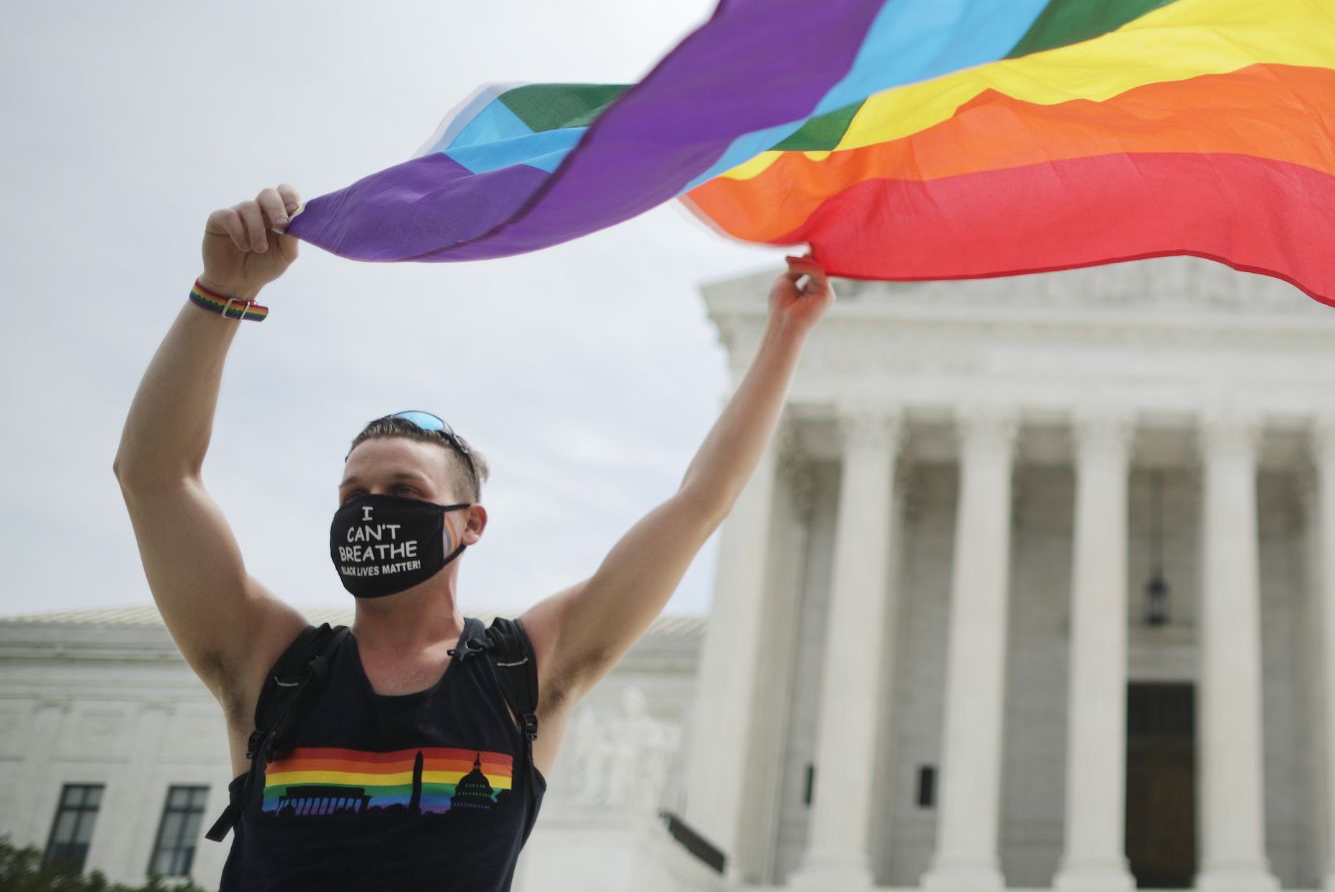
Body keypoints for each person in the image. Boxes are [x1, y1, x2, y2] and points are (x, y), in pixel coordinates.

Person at [113, 184, 831, 890]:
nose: (372, 510)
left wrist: (784, 335)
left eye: (405, 493)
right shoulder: (271, 667)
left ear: (470, 523)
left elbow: (702, 501)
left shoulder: (525, 676)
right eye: (353, 494)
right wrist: (221, 292)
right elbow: (155, 478)